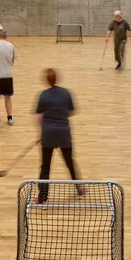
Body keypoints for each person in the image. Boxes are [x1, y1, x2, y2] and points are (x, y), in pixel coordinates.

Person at [34, 68, 83, 204]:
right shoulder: (66, 92)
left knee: (45, 167)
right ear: (56, 79)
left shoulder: (43, 95)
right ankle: (79, 188)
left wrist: (41, 133)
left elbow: (39, 117)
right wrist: (61, 114)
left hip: (48, 134)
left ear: (46, 80)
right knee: (70, 162)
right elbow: (73, 111)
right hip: (63, 133)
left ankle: (42, 197)